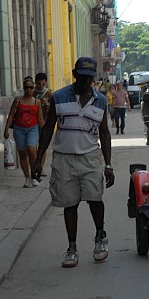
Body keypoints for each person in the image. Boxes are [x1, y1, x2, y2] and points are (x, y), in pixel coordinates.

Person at [31, 57, 114, 268]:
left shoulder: (101, 101)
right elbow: (49, 128)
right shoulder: (59, 97)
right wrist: (39, 160)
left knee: (95, 198)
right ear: (75, 74)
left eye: (90, 78)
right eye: (83, 77)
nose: (86, 82)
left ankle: (100, 237)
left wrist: (108, 165)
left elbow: (104, 133)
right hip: (64, 157)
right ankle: (72, 247)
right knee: (70, 203)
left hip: (91, 157)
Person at [4, 76, 45, 188]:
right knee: (22, 154)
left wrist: (45, 133)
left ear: (33, 88)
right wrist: (6, 129)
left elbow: (40, 119)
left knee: (31, 149)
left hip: (32, 129)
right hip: (19, 130)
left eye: (31, 88)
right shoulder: (18, 100)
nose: (29, 90)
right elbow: (11, 115)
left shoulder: (37, 102)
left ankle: (34, 175)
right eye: (27, 88)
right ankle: (27, 178)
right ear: (24, 88)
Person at [33, 72, 53, 174]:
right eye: (38, 84)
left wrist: (47, 105)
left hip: (45, 122)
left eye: (43, 84)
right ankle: (35, 164)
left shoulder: (49, 93)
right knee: (33, 145)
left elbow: (53, 108)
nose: (40, 86)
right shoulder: (33, 93)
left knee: (43, 145)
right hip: (33, 122)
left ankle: (41, 166)